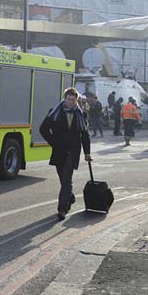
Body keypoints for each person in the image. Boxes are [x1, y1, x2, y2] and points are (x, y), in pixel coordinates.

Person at [40, 87, 92, 221]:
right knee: (63, 179)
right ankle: (70, 196)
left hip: (73, 151)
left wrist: (87, 153)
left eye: (73, 100)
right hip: (59, 151)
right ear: (65, 98)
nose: (70, 102)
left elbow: (85, 135)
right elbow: (43, 129)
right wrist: (54, 143)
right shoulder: (55, 112)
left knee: (66, 179)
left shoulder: (81, 114)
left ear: (77, 100)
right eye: (68, 99)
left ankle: (62, 209)